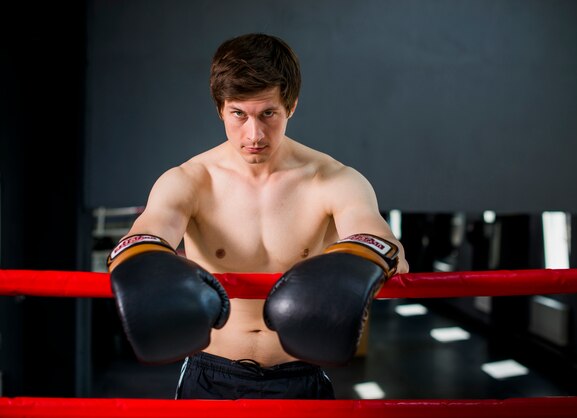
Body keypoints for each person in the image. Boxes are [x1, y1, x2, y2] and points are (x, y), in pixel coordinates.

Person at [106, 33, 409, 400]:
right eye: (238, 114)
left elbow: (382, 241)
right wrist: (145, 259)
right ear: (220, 107)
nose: (254, 134)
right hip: (210, 374)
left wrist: (365, 257)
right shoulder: (190, 180)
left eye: (268, 114)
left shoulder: (332, 179)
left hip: (299, 375)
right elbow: (145, 235)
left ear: (291, 106)